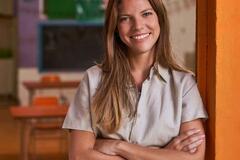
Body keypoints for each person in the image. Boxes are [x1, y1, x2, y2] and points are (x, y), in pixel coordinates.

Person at [63, 0, 208, 159]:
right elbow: (79, 156)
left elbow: (194, 158)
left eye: (146, 14)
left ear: (160, 18)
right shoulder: (93, 80)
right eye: (125, 18)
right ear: (116, 27)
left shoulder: (184, 84)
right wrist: (164, 153)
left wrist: (119, 146)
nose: (138, 26)